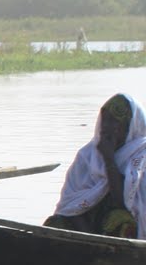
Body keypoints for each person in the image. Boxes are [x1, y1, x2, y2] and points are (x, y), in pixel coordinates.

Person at [46, 93, 146, 239]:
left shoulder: (141, 155)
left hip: (124, 223)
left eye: (115, 122)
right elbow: (71, 205)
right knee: (56, 224)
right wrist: (86, 236)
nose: (106, 127)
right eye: (105, 120)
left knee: (120, 221)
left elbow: (123, 202)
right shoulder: (87, 156)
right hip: (87, 225)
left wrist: (109, 158)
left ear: (130, 126)